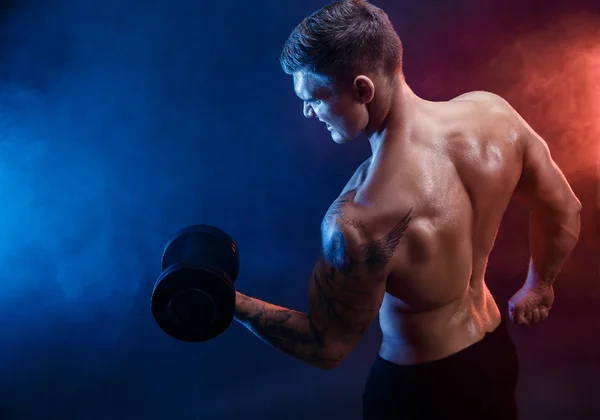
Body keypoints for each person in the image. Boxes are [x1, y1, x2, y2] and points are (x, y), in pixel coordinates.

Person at [233, 0, 582, 418]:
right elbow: (564, 208)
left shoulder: (358, 218)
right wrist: (539, 285)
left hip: (422, 392)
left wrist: (228, 302)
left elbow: (326, 346)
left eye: (316, 98)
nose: (308, 112)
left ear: (363, 89)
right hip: (493, 357)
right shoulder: (494, 115)